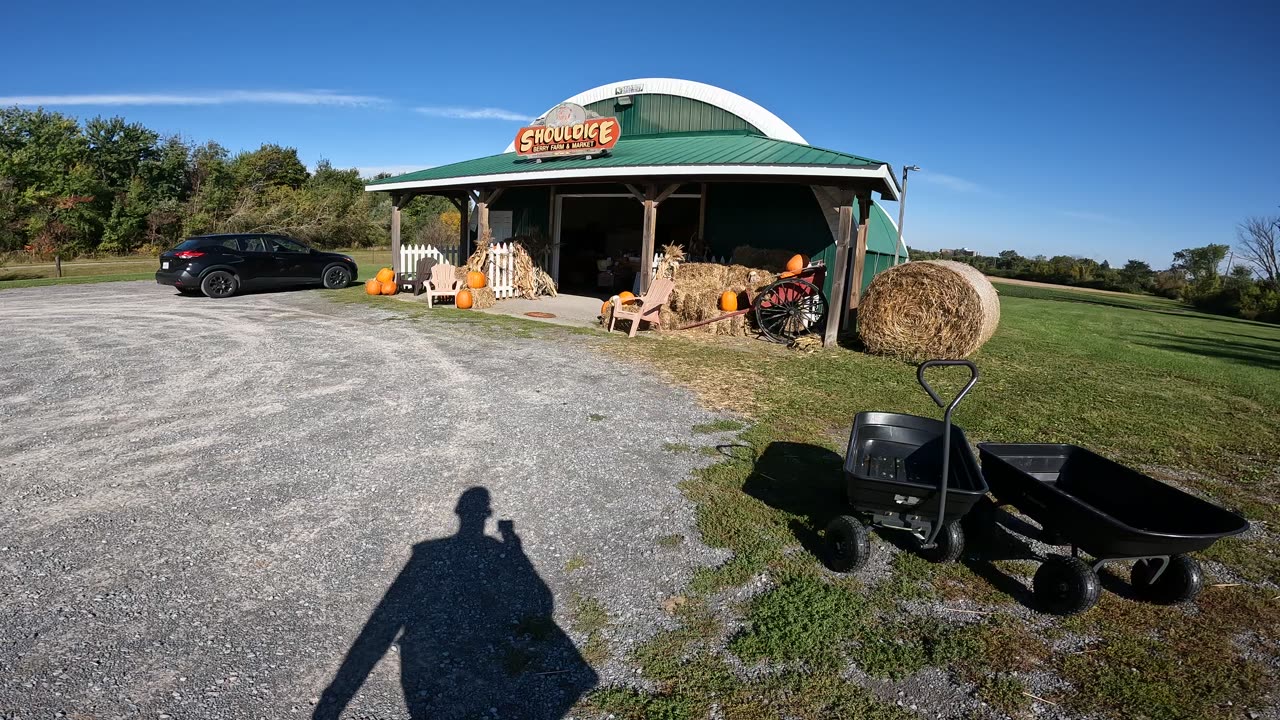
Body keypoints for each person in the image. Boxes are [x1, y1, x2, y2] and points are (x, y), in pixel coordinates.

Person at [314, 487, 597, 719]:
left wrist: (333, 701)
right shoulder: (480, 550)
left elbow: (385, 619)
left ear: (459, 512)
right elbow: (537, 595)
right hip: (476, 661)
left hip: (429, 661)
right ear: (486, 513)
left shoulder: (427, 554)